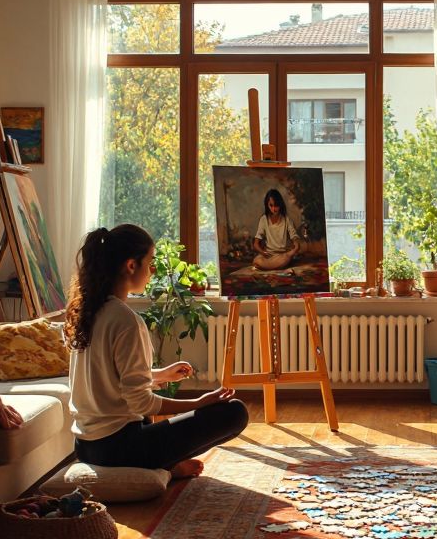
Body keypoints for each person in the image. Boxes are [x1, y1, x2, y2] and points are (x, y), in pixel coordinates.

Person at [65, 224, 248, 478]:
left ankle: (166, 464)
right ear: (131, 265)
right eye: (149, 263)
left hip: (85, 447)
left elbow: (109, 380)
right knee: (235, 413)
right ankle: (166, 466)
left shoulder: (88, 312)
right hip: (119, 449)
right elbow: (140, 401)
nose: (152, 272)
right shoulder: (125, 320)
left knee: (144, 422)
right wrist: (198, 402)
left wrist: (160, 375)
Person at [251, 189, 301, 270]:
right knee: (257, 260)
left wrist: (296, 245)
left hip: (282, 255)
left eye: (276, 205)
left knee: (285, 258)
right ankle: (273, 265)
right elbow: (256, 244)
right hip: (269, 255)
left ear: (280, 205)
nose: (274, 209)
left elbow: (294, 236)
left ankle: (268, 266)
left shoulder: (286, 219)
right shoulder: (264, 219)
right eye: (271, 205)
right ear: (267, 205)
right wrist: (263, 252)